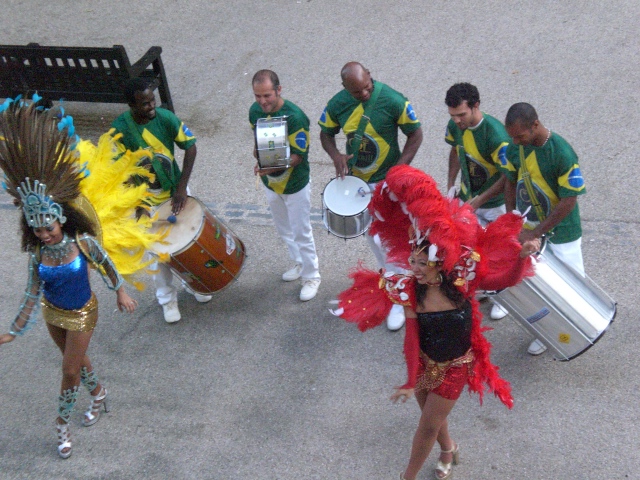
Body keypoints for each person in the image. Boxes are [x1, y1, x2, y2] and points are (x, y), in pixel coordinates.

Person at [332, 165, 539, 480]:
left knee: (427, 425)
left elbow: (503, 279)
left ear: (438, 265)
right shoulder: (409, 291)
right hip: (424, 364)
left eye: (420, 263)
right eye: (412, 261)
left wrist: (522, 256)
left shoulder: (463, 280)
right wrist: (411, 377)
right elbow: (412, 339)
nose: (412, 267)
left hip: (456, 366)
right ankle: (449, 449)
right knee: (433, 417)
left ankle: (408, 476)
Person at [0, 100, 158, 458]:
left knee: (69, 370)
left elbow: (105, 265)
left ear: (61, 220)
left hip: (83, 312)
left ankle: (61, 425)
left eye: (49, 227)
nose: (44, 234)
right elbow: (30, 293)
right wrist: (13, 330)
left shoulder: (81, 242)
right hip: (52, 312)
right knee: (79, 362)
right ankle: (100, 394)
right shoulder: (38, 254)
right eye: (36, 229)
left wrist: (120, 292)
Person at [319, 62, 423, 330]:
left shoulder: (392, 100)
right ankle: (390, 280)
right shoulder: (337, 105)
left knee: (395, 236)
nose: (365, 94)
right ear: (345, 88)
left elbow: (415, 134)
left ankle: (403, 299)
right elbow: (325, 133)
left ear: (370, 76)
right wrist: (336, 155)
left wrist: (400, 168)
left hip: (387, 181)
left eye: (367, 87)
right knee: (371, 235)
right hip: (358, 183)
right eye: (357, 92)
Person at [111, 77, 212, 323]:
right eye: (145, 104)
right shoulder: (120, 129)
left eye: (152, 100)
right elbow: (120, 172)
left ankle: (193, 284)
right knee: (157, 253)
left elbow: (191, 147)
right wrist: (137, 204)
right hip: (146, 199)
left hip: (174, 190)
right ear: (131, 105)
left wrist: (181, 188)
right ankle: (167, 300)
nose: (151, 107)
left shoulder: (166, 118)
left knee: (186, 242)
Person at [501, 102, 587, 355]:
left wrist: (536, 233)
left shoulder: (561, 152)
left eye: (520, 136)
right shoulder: (515, 147)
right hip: (529, 228)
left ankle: (578, 329)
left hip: (562, 232)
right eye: (512, 137)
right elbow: (509, 181)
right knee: (539, 284)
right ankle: (548, 331)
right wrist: (511, 220)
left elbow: (569, 200)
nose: (515, 142)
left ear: (535, 125)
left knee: (572, 285)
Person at [249, 70, 321, 301]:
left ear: (279, 90)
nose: (262, 102)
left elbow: (299, 156)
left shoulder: (296, 117)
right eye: (258, 96)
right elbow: (258, 139)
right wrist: (257, 154)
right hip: (271, 184)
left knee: (302, 232)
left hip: (295, 185)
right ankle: (300, 263)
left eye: (267, 95)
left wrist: (269, 168)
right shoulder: (254, 112)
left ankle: (312, 276)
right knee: (284, 229)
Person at [444, 82, 511, 320]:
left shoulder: (496, 135)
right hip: (469, 200)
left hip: (494, 205)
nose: (457, 121)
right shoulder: (455, 126)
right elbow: (455, 150)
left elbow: (507, 176)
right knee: (473, 250)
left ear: (476, 106)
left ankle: (505, 296)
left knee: (501, 253)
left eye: (461, 115)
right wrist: (451, 183)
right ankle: (485, 287)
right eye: (453, 116)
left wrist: (480, 200)